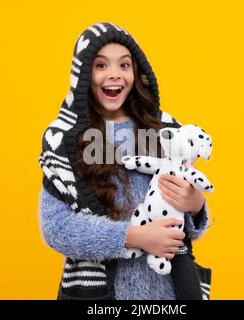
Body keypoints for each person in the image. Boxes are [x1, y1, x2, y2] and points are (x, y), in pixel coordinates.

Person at [38, 22, 212, 300]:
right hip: (99, 295)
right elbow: (56, 228)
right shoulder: (65, 139)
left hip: (167, 293)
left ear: (136, 72)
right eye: (101, 65)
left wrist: (196, 205)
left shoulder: (163, 130)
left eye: (124, 65)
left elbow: (186, 221)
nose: (114, 75)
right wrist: (134, 237)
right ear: (83, 74)